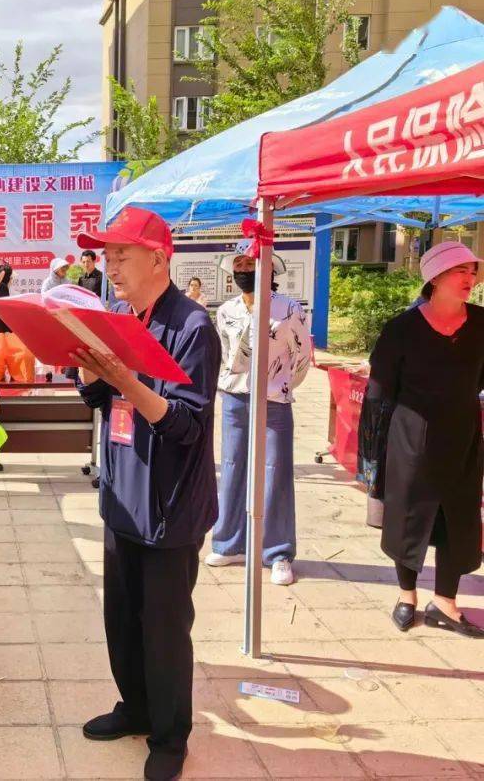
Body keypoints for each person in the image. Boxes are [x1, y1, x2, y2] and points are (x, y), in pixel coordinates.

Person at [70, 207, 220, 781]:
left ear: (158, 258)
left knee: (163, 625)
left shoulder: (191, 326)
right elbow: (102, 404)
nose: (110, 268)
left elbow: (187, 424)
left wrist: (127, 379)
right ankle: (133, 706)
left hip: (170, 504)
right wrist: (89, 371)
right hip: (123, 492)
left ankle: (169, 734)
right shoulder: (120, 317)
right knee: (122, 618)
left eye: (120, 256)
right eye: (105, 257)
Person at [359, 241, 483, 638]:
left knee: (459, 519)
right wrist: (371, 455)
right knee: (408, 516)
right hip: (410, 439)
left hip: (463, 438)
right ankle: (407, 595)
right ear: (435, 277)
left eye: (473, 270)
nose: (471, 278)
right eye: (460, 270)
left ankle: (445, 602)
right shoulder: (401, 329)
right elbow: (379, 394)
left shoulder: (482, 323)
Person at [208, 241, 311, 587]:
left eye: (250, 263)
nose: (243, 270)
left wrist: (281, 384)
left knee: (276, 471)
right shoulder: (226, 311)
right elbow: (224, 355)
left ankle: (278, 552)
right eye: (238, 264)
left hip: (274, 399)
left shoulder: (289, 308)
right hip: (236, 398)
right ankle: (229, 542)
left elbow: (302, 358)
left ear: (268, 268)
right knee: (234, 466)